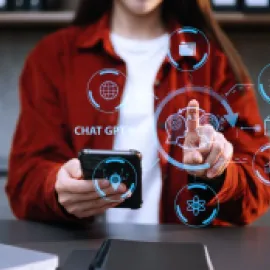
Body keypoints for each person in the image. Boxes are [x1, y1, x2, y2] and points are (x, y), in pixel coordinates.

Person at [6, 0, 270, 226]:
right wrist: (56, 188)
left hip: (185, 257)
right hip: (83, 255)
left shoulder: (215, 62)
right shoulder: (53, 57)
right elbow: (24, 180)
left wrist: (219, 172)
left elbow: (259, 182)